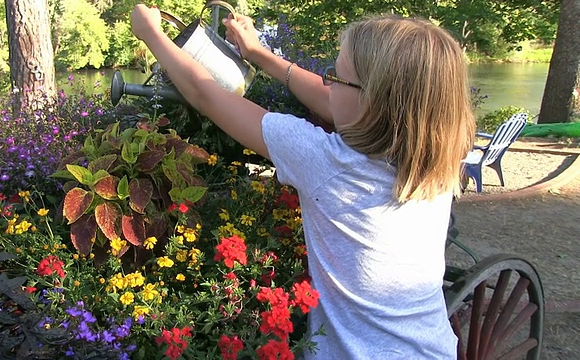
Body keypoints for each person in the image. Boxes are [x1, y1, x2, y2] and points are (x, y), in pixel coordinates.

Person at [131, 4, 475, 359]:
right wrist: (259, 54)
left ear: (374, 104)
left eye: (335, 76)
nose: (327, 82)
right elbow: (334, 102)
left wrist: (152, 34)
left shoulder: (328, 162)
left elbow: (206, 94)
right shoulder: (439, 151)